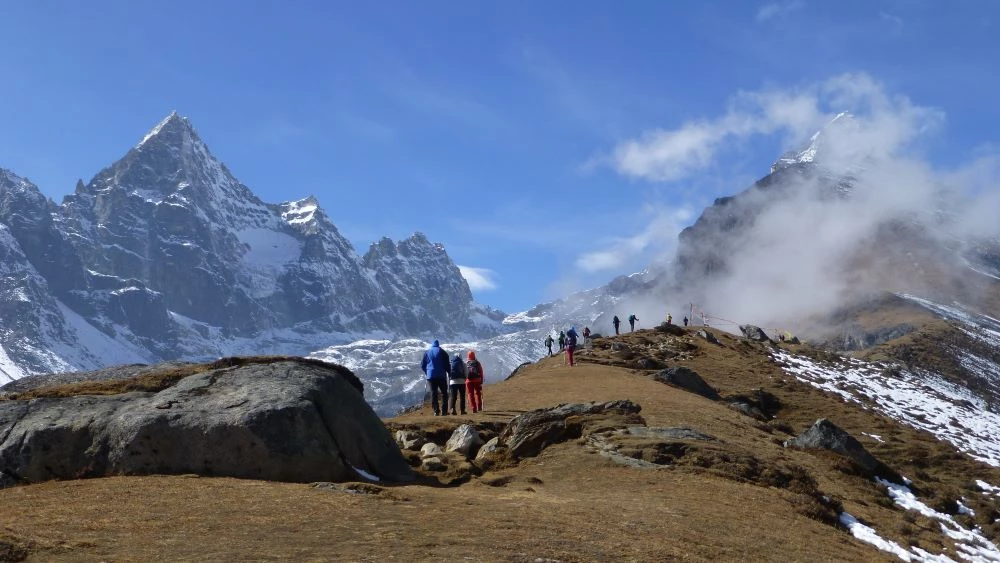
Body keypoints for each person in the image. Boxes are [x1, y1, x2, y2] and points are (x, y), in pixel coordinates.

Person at [420, 339, 450, 416]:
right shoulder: (443, 352)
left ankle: (436, 411)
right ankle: (444, 411)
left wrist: (427, 372)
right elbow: (447, 364)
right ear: (438, 344)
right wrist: (449, 372)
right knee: (444, 393)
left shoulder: (427, 352)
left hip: (431, 376)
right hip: (441, 375)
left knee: (434, 393)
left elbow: (422, 365)